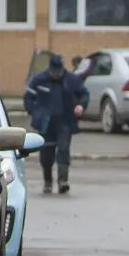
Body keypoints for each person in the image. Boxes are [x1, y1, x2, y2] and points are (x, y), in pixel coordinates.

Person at [26, 54, 86, 194]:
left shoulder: (71, 80)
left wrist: (81, 106)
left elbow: (83, 94)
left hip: (65, 122)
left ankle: (63, 180)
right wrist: (35, 112)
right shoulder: (39, 80)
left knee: (63, 150)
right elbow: (28, 98)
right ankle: (47, 181)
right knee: (46, 154)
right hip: (46, 124)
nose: (56, 74)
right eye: (54, 71)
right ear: (50, 69)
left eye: (59, 71)